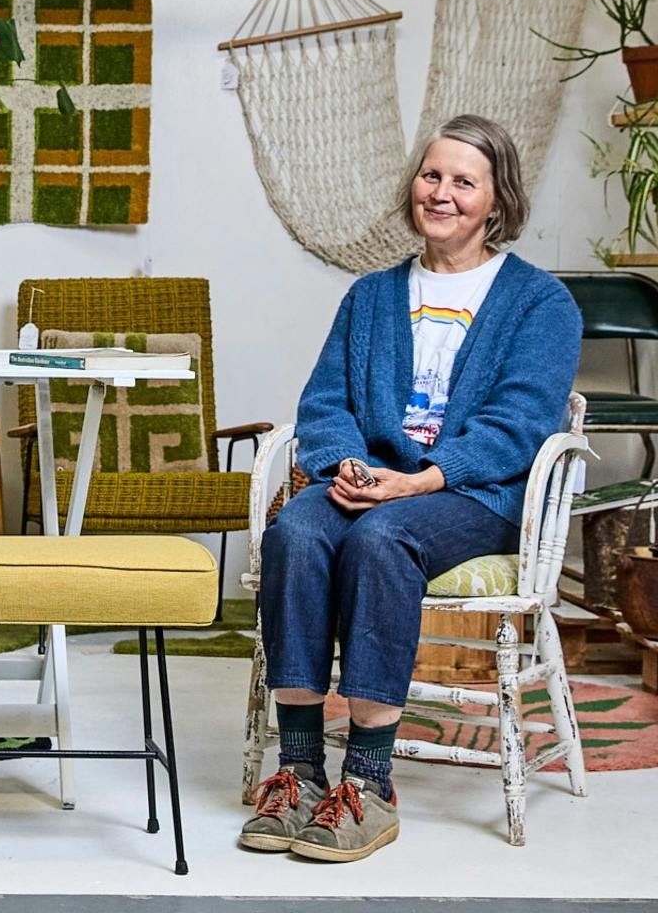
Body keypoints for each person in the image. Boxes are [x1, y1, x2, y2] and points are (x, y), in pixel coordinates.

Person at [238, 114, 581, 863]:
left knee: (381, 539)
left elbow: (521, 425)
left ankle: (369, 782)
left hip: (471, 495)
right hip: (371, 483)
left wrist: (418, 482)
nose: (443, 193)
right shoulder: (370, 297)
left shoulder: (540, 304)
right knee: (295, 532)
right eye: (432, 176)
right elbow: (326, 402)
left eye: (464, 181)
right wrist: (347, 467)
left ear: (496, 201)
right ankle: (297, 770)